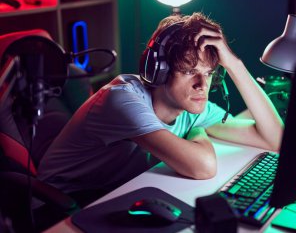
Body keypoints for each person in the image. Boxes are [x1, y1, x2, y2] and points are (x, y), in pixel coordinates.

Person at [37, 12, 283, 206]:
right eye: (188, 71)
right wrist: (199, 132)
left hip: (113, 193)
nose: (202, 85)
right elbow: (203, 167)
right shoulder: (122, 101)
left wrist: (234, 64)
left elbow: (275, 139)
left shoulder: (189, 103)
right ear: (159, 70)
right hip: (62, 205)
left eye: (208, 73)